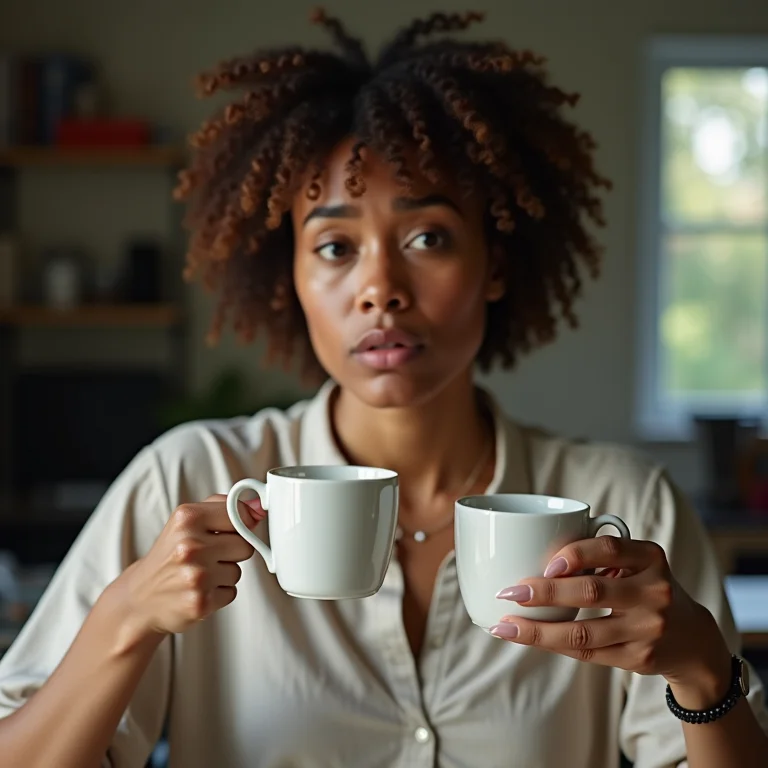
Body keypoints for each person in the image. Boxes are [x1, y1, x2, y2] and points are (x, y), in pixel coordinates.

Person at [0, 9, 767, 768]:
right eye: (335, 246)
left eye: (428, 237)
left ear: (495, 264)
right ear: (290, 280)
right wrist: (125, 618)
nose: (380, 288)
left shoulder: (628, 505)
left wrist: (702, 673)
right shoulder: (187, 478)